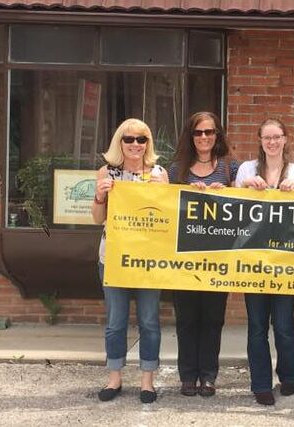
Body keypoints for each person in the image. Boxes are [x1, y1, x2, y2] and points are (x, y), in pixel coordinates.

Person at [92, 118, 169, 404]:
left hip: (148, 260)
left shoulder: (159, 173)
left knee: (149, 321)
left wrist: (164, 193)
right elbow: (97, 219)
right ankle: (114, 378)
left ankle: (147, 381)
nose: (135, 144)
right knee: (115, 321)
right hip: (112, 256)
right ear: (119, 142)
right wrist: (100, 196)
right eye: (129, 139)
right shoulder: (107, 171)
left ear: (148, 143)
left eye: (142, 139)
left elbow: (167, 220)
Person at [235, 118, 294, 406]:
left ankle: (289, 377)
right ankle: (261, 383)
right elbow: (231, 201)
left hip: (285, 260)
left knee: (284, 324)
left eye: (277, 136)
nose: (272, 142)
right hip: (253, 260)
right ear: (260, 140)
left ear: (286, 139)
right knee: (256, 326)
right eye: (267, 137)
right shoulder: (246, 169)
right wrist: (245, 186)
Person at [169, 111, 239, 397]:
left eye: (209, 132)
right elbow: (164, 207)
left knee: (212, 319)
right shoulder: (176, 170)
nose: (204, 138)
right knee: (186, 319)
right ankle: (187, 376)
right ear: (191, 136)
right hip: (184, 258)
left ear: (217, 135)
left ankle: (208, 375)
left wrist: (229, 192)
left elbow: (245, 202)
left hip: (218, 258)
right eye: (198, 133)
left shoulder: (229, 168)